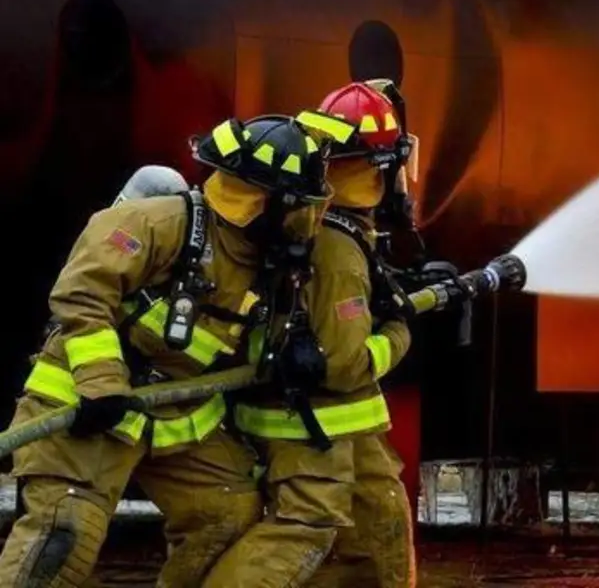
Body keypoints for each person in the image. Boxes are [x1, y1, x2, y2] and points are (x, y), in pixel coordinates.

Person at [0, 114, 332, 587]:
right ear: (266, 202)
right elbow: (81, 294)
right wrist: (101, 383)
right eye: (301, 208)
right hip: (89, 405)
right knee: (64, 537)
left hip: (177, 415)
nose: (308, 224)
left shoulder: (271, 264)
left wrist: (291, 351)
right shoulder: (157, 223)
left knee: (229, 517)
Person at [204, 89, 414, 587]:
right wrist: (400, 334)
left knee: (371, 542)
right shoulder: (338, 249)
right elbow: (344, 363)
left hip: (326, 427)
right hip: (317, 425)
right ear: (380, 168)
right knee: (305, 533)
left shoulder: (318, 225)